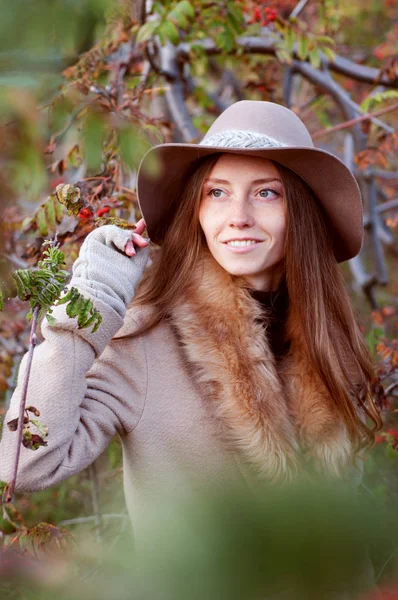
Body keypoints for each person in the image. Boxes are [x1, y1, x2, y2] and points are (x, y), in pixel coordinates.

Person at [0, 101, 383, 593]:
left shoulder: (331, 344)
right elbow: (24, 464)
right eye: (216, 193)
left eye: (266, 193)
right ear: (196, 210)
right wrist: (87, 306)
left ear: (301, 210)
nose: (238, 217)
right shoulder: (143, 338)